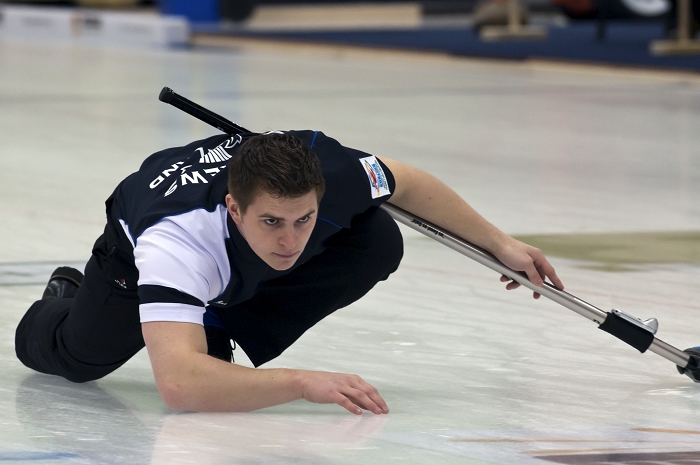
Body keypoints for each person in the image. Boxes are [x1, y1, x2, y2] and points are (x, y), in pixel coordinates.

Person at [15, 130, 564, 415]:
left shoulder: (331, 172)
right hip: (131, 255)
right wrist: (302, 383)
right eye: (273, 221)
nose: (291, 240)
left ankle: (218, 327)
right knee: (79, 359)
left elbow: (408, 183)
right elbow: (179, 384)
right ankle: (63, 299)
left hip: (229, 248)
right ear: (234, 208)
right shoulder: (177, 244)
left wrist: (500, 243)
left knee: (375, 238)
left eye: (304, 219)